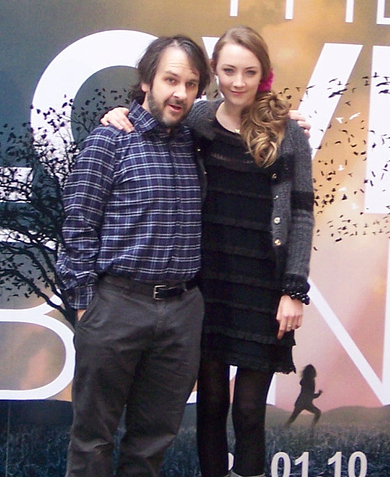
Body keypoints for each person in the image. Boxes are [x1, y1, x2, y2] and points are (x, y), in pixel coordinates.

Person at [102, 25, 314, 477]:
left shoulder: (288, 132)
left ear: (265, 75)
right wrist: (115, 113)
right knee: (212, 405)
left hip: (263, 290)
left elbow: (301, 214)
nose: (239, 82)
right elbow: (153, 119)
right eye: (229, 70)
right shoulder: (198, 120)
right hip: (208, 286)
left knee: (250, 411)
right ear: (214, 73)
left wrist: (294, 289)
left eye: (250, 72)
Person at [56, 34, 212, 477]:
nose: (179, 93)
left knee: (151, 445)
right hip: (116, 306)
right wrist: (86, 305)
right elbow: (78, 224)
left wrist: (288, 120)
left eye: (191, 83)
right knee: (92, 440)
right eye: (170, 79)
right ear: (147, 80)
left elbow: (245, 117)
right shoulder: (110, 140)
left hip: (182, 313)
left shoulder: (195, 140)